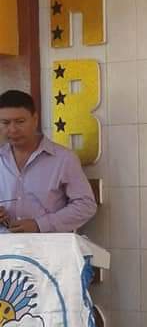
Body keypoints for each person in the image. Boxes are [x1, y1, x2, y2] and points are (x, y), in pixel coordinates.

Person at [0, 90, 97, 234]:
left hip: (49, 245)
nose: (13, 129)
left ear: (35, 119)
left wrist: (40, 225)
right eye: (5, 123)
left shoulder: (63, 158)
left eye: (20, 122)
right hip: (5, 245)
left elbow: (86, 205)